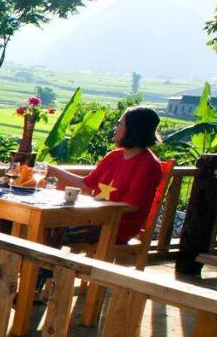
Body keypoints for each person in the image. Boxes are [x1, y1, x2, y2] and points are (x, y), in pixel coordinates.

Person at [45, 106, 164, 247]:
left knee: (58, 229)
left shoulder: (148, 165)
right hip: (95, 219)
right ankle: (43, 267)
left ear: (134, 128)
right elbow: (86, 183)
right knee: (47, 221)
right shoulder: (114, 156)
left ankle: (45, 268)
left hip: (117, 226)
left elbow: (132, 206)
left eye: (120, 124)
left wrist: (93, 210)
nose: (115, 127)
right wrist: (53, 170)